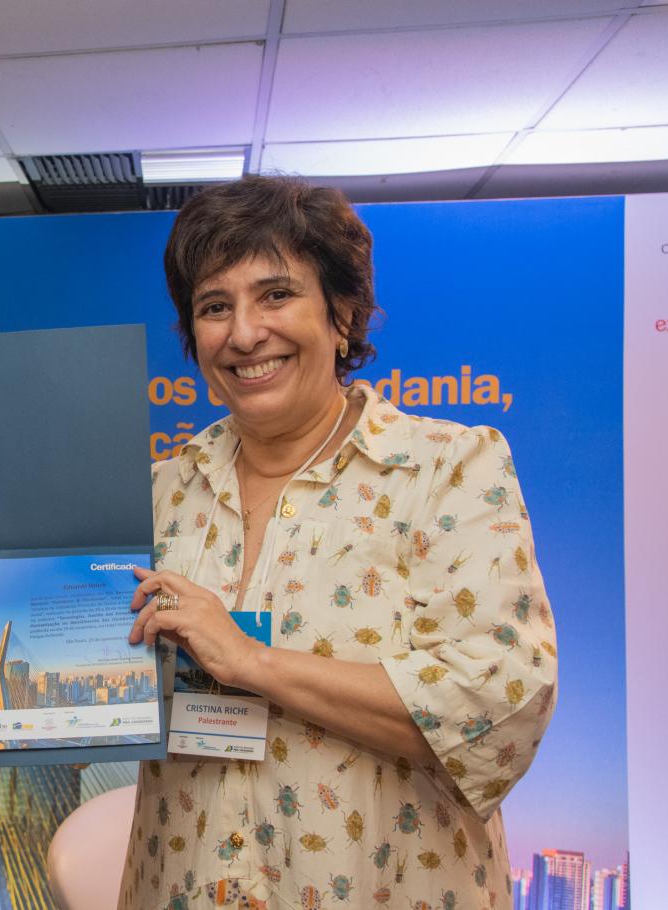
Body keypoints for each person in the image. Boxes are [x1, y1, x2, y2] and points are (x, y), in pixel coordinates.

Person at [121, 176, 556, 909]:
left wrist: (252, 661)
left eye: (276, 295)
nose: (244, 333)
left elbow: (500, 700)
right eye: (215, 306)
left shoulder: (445, 469)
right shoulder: (159, 493)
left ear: (344, 314)